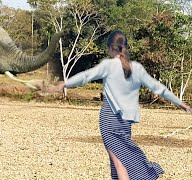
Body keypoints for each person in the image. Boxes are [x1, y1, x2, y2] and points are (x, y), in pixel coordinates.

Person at [48, 30, 192, 179]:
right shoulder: (137, 68)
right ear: (126, 47)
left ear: (110, 47)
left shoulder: (108, 66)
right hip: (125, 123)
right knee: (122, 160)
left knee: (119, 162)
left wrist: (63, 85)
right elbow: (158, 87)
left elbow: (85, 76)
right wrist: (180, 104)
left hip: (109, 121)